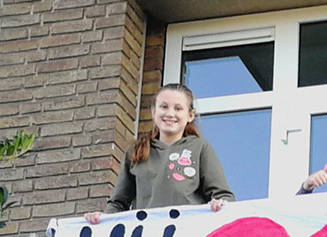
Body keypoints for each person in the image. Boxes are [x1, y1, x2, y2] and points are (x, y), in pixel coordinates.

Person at [86, 83, 233, 223]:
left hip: (188, 235)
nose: (170, 113)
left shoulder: (199, 148)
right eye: (164, 107)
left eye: (178, 108)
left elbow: (223, 196)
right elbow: (118, 203)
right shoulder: (136, 152)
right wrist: (102, 220)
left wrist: (220, 204)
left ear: (190, 115)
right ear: (154, 111)